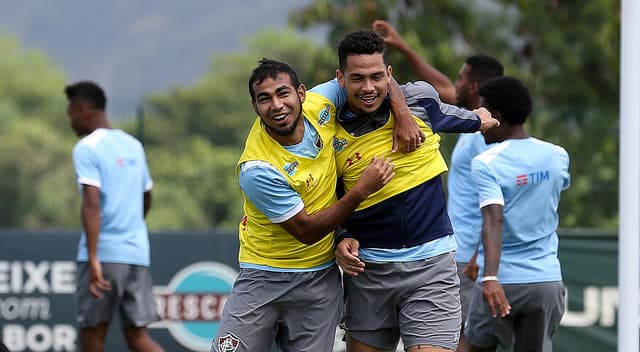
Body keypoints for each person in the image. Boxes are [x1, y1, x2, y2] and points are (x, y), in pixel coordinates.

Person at [211, 58, 419, 352]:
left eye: (283, 93)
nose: (277, 105)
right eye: (264, 99)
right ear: (254, 107)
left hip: (319, 280)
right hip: (264, 277)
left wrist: (403, 113)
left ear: (301, 93)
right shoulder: (258, 168)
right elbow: (306, 231)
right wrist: (360, 191)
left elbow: (374, 76)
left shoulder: (322, 102)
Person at [331, 30, 497, 352]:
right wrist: (339, 237)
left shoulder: (419, 100)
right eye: (358, 78)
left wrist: (481, 119)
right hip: (368, 272)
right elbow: (324, 197)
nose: (368, 87)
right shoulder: (325, 127)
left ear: (390, 75)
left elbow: (465, 116)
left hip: (430, 268)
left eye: (377, 77)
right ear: (340, 78)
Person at [466, 76, 569, 352]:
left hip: (502, 282)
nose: (478, 120)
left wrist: (489, 277)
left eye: (483, 112)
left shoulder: (486, 162)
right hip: (546, 281)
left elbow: (493, 217)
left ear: (497, 116)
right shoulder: (557, 155)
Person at [65, 81, 163, 352]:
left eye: (71, 113)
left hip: (104, 257)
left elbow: (91, 203)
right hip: (137, 255)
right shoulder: (134, 145)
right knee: (138, 338)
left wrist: (94, 258)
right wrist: (131, 227)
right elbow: (147, 197)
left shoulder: (87, 147)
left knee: (92, 338)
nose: (70, 120)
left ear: (84, 110)